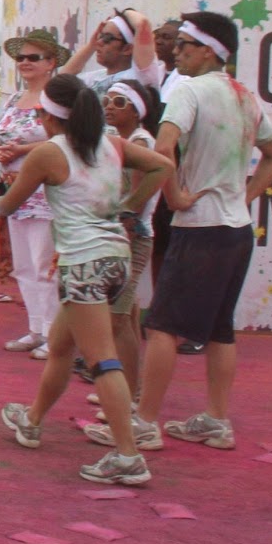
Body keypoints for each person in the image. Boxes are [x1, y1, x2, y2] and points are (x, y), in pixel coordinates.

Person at [90, 11, 272, 454]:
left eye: (182, 45)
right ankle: (216, 421)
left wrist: (176, 196)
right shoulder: (244, 95)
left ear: (209, 51)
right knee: (219, 329)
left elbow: (162, 150)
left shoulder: (189, 91)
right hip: (234, 229)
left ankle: (144, 424)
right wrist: (243, 197)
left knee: (162, 326)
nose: (174, 52)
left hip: (199, 227)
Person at [0, 74, 172, 486]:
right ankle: (32, 420)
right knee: (61, 347)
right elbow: (163, 165)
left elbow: (7, 204)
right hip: (115, 259)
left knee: (102, 360)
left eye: (40, 112)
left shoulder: (50, 153)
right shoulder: (112, 144)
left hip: (83, 264)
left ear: (50, 116)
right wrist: (130, 206)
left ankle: (128, 455)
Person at [0, 28, 68, 357]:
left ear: (51, 63)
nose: (25, 62)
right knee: (23, 265)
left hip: (43, 195)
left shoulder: (57, 101)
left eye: (33, 57)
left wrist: (22, 150)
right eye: (20, 57)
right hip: (14, 192)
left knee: (44, 265)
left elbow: (64, 140)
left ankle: (54, 334)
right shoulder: (12, 100)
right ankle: (36, 328)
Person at [94, 80, 162, 404]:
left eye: (119, 102)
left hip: (131, 237)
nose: (110, 107)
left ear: (137, 110)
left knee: (117, 319)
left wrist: (125, 226)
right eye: (107, 101)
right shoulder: (121, 139)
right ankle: (128, 388)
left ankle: (127, 398)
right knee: (129, 314)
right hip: (122, 235)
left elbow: (137, 197)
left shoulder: (140, 141)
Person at [62, 8, 163, 96]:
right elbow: (62, 80)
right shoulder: (94, 78)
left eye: (107, 38)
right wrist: (91, 45)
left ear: (127, 49)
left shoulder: (141, 77)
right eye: (100, 36)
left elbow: (142, 24)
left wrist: (124, 12)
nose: (99, 42)